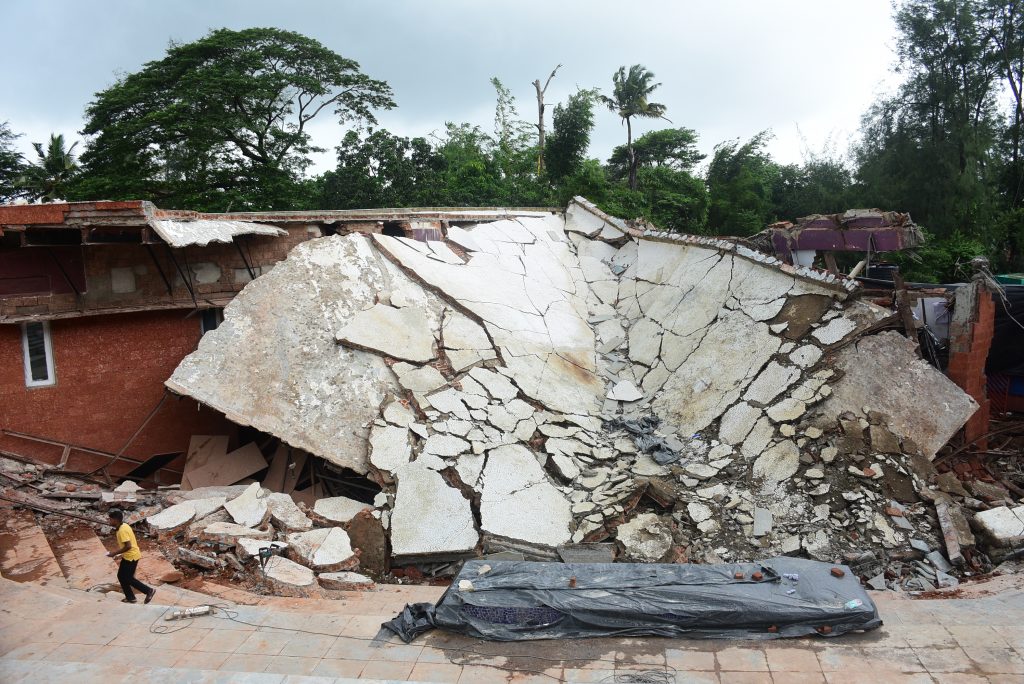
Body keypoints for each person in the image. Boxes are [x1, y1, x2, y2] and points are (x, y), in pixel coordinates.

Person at [106, 509, 155, 604]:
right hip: (128, 556)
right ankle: (130, 597)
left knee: (128, 578)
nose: (109, 521)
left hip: (131, 557)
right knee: (121, 576)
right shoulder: (123, 525)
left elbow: (128, 546)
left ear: (115, 520)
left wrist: (114, 553)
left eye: (110, 519)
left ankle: (149, 591)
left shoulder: (122, 530)